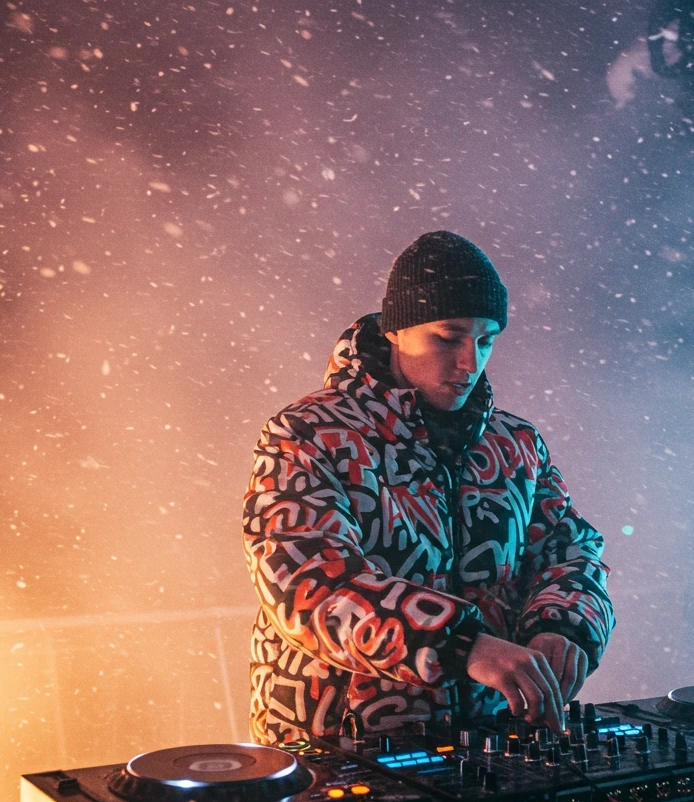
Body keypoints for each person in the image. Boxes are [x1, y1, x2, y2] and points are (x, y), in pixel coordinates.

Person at [243, 230, 614, 745]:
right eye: (448, 336)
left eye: (485, 341)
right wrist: (461, 646)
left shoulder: (517, 442)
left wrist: (563, 626)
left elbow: (571, 551)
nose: (471, 362)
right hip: (338, 744)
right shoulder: (305, 433)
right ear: (395, 330)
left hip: (487, 741)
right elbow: (305, 582)